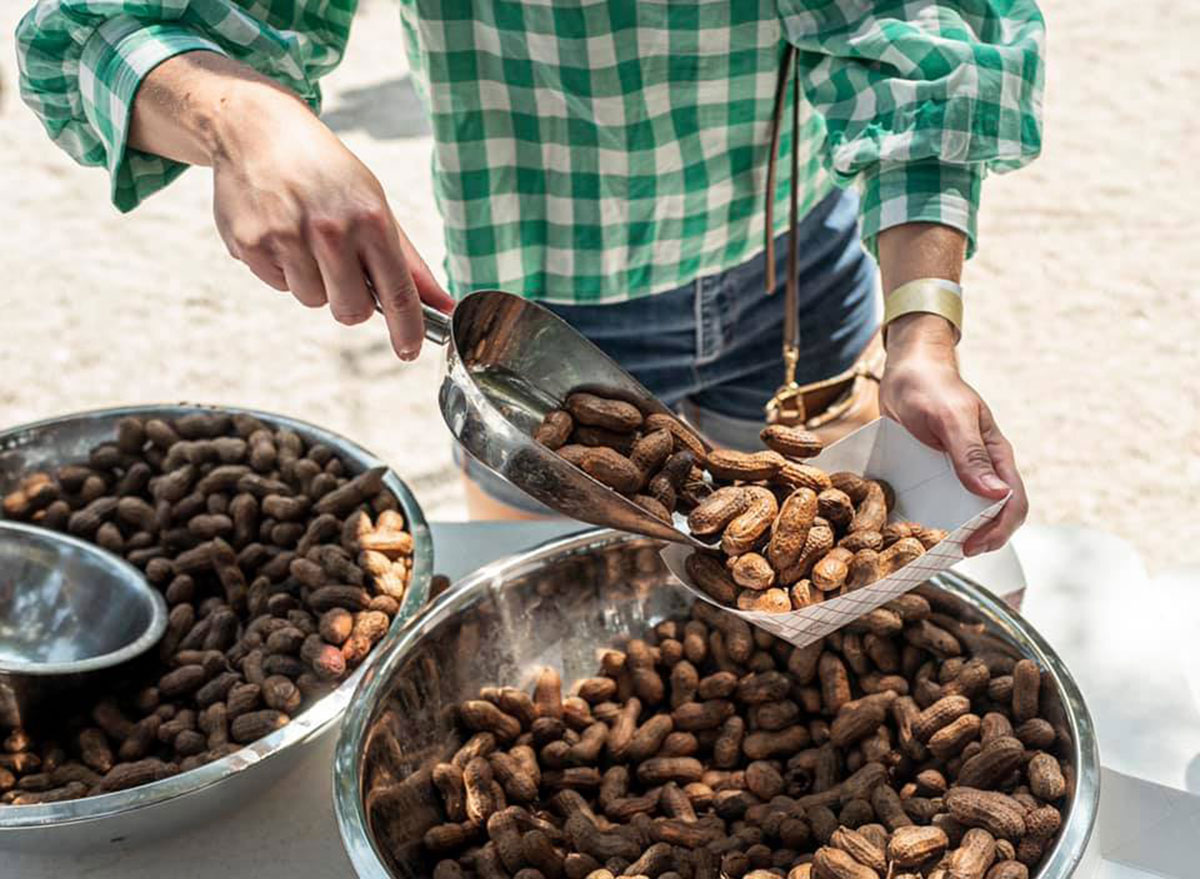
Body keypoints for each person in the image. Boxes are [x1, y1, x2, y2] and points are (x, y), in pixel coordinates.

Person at [16, 1, 1039, 554]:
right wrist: (243, 117)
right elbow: (97, 29)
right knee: (583, 600)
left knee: (777, 556)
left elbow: (925, 40)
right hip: (542, 335)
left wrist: (925, 338)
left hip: (798, 272)